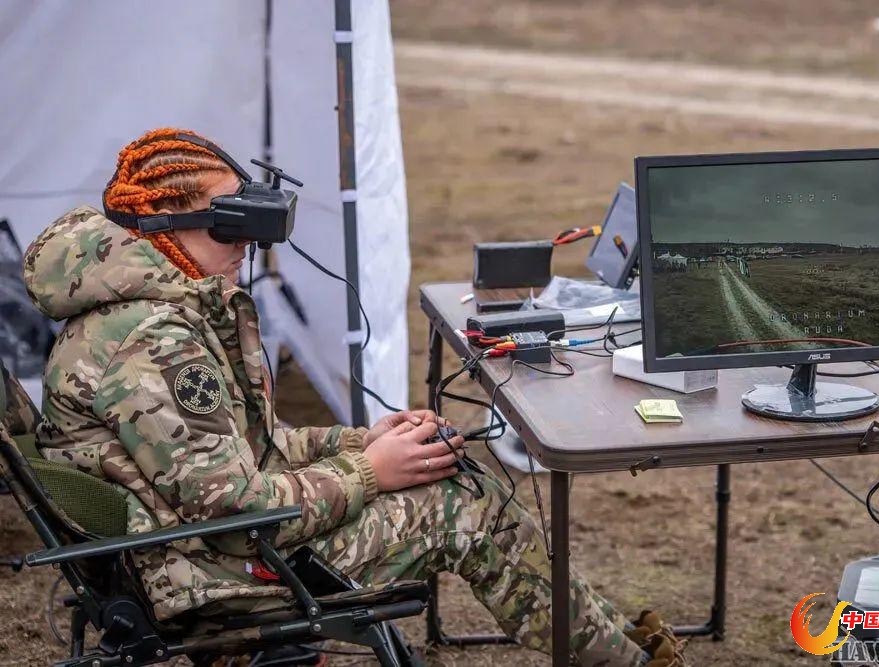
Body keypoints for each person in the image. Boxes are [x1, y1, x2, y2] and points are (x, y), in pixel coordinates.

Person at [23, 128, 685, 666]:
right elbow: (240, 513)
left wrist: (361, 441)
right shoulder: (152, 342)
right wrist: (370, 471)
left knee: (450, 476)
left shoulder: (145, 311)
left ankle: (612, 638)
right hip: (213, 572)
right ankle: (622, 656)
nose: (246, 244)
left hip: (199, 551)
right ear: (161, 223)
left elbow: (248, 450)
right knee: (464, 504)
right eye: (228, 226)